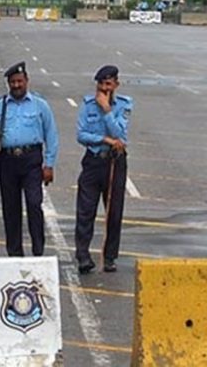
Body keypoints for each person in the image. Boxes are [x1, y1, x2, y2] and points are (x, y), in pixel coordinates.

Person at [0, 62, 59, 257]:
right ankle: (15, 253)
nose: (16, 85)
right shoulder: (0, 106)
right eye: (13, 82)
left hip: (31, 159)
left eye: (19, 81)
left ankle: (38, 250)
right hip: (7, 161)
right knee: (11, 208)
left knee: (34, 204)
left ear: (27, 81)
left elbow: (51, 135)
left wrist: (48, 165)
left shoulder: (40, 105)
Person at [74, 65, 132, 274]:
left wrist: (107, 109)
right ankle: (83, 255)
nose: (104, 89)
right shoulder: (88, 105)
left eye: (108, 84)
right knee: (85, 209)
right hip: (93, 160)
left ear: (116, 84)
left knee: (114, 211)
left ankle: (109, 257)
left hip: (115, 162)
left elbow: (120, 134)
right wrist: (104, 139)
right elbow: (82, 135)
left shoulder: (124, 105)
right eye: (101, 84)